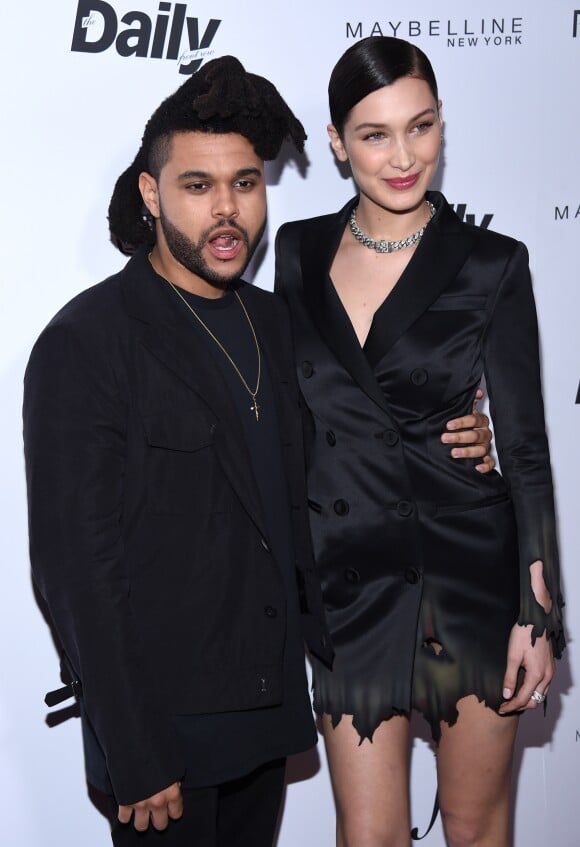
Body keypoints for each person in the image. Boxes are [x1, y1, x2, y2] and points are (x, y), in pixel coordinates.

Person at [24, 53, 493, 847]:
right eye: (197, 186)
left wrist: (458, 438)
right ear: (151, 193)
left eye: (245, 183)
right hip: (161, 736)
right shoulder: (88, 342)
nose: (227, 211)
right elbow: (76, 572)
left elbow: (353, 453)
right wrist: (133, 749)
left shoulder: (278, 326)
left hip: (266, 717)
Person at [274, 36, 564, 847]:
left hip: (470, 580)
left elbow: (529, 452)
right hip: (351, 585)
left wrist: (537, 615)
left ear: (442, 125)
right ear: (336, 143)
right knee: (368, 837)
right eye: (374, 134)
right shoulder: (295, 256)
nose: (404, 156)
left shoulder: (493, 264)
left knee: (475, 829)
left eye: (422, 126)